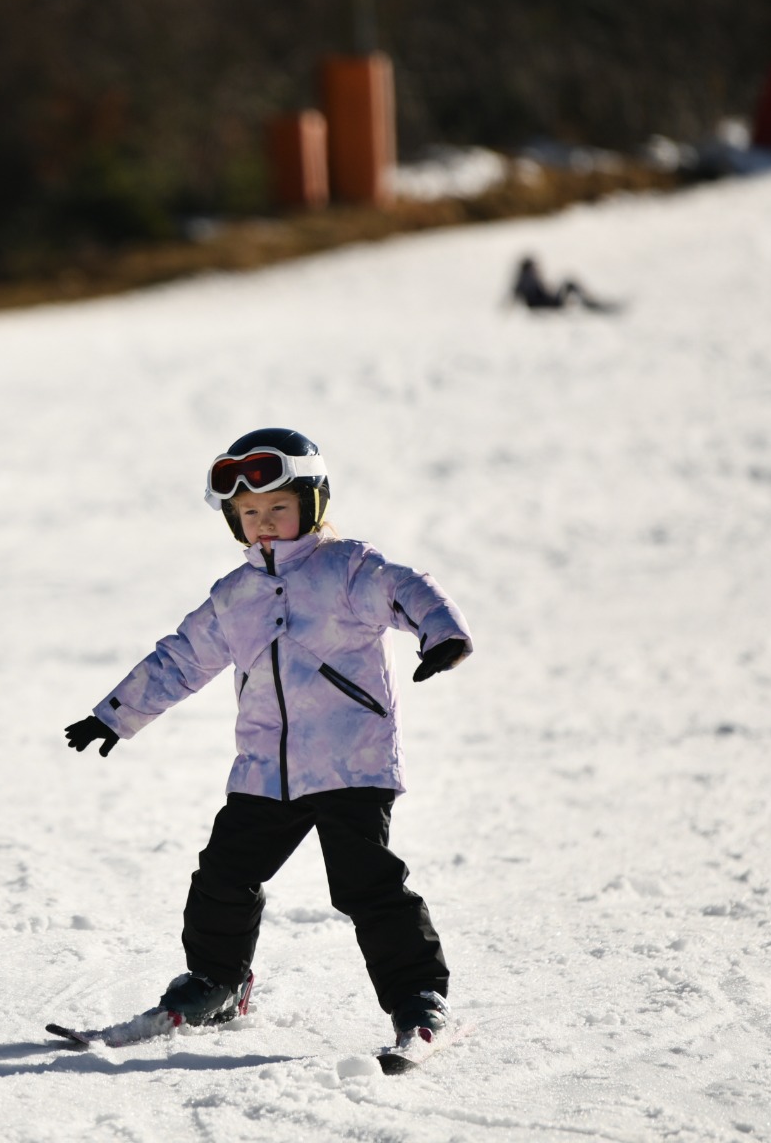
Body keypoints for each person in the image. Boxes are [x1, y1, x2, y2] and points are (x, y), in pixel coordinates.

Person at [62, 428, 473, 1049]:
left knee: (367, 886)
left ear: (312, 504)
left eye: (278, 507)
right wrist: (115, 714)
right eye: (249, 513)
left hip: (349, 764)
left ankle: (418, 999)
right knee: (222, 878)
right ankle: (215, 983)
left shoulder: (347, 569)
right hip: (265, 771)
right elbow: (180, 660)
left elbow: (406, 588)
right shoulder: (236, 596)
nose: (265, 523)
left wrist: (441, 633)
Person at [508, 255, 619, 313]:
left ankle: (589, 303)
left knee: (568, 284)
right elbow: (538, 295)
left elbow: (515, 296)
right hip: (548, 304)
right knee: (569, 283)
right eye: (532, 266)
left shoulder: (521, 280)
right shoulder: (528, 279)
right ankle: (590, 303)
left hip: (545, 303)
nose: (535, 268)